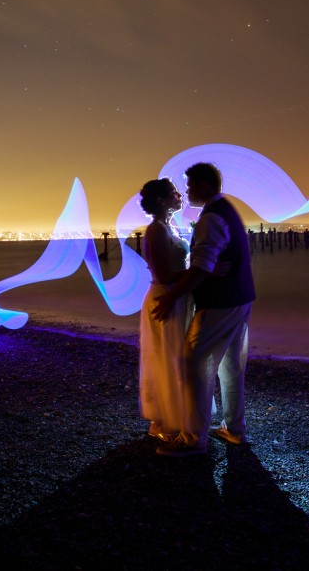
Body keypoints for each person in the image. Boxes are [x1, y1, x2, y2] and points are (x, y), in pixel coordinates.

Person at [152, 162, 256, 457]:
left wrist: (173, 297)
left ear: (205, 185)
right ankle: (235, 430)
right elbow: (209, 264)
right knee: (231, 366)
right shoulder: (227, 210)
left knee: (193, 364)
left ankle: (193, 439)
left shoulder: (211, 218)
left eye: (190, 185)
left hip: (219, 303)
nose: (187, 191)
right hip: (241, 298)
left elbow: (201, 267)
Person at [137, 178, 192, 442]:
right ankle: (162, 419)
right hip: (164, 298)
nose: (180, 195)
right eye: (174, 193)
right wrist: (200, 272)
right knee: (165, 355)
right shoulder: (156, 231)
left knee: (176, 354)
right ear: (161, 200)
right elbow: (163, 273)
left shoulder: (169, 226)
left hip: (177, 297)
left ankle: (179, 413)